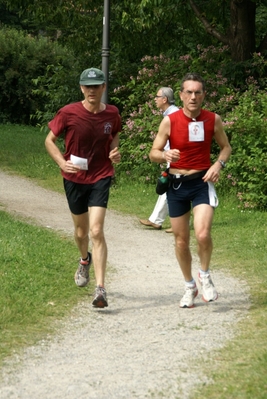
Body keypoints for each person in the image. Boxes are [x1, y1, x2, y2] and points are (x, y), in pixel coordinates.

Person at [149, 73, 232, 308]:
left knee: (203, 234)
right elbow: (153, 152)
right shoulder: (170, 120)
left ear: (203, 95)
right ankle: (189, 286)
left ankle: (204, 275)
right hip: (176, 185)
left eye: (198, 92)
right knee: (181, 241)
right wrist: (164, 154)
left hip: (201, 183)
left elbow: (226, 147)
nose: (193, 96)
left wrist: (218, 164)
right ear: (182, 95)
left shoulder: (212, 119)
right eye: (189, 92)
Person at [45, 67, 121, 308]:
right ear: (81, 88)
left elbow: (115, 135)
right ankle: (84, 259)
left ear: (103, 88)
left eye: (96, 86)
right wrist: (61, 162)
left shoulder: (112, 113)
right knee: (81, 233)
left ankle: (100, 289)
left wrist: (114, 152)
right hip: (75, 177)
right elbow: (49, 140)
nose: (91, 90)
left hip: (101, 174)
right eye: (87, 86)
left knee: (96, 231)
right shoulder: (68, 112)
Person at [139, 87, 179, 233]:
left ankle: (175, 223)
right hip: (171, 156)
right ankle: (156, 220)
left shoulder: (174, 114)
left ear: (165, 99)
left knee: (176, 188)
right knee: (169, 186)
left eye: (157, 97)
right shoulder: (169, 113)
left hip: (176, 157)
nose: (155, 99)